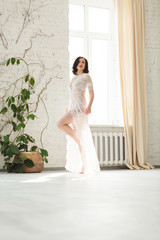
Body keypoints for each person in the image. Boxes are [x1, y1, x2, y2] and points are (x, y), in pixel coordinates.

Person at [56, 56, 101, 175]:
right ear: (75, 64)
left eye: (83, 63)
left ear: (85, 66)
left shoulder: (86, 77)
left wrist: (89, 106)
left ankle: (84, 166)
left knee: (60, 123)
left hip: (80, 108)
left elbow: (91, 93)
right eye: (79, 62)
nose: (81, 64)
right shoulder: (74, 78)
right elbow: (72, 95)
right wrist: (69, 106)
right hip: (73, 107)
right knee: (78, 135)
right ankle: (83, 166)